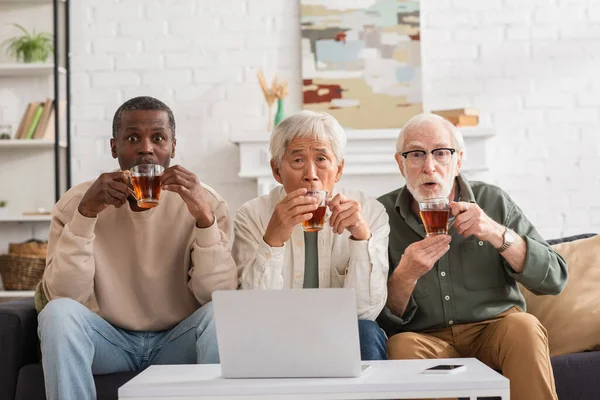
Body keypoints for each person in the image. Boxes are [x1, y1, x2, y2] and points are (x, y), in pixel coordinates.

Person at [37, 96, 238, 400]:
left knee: (219, 315)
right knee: (57, 314)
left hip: (176, 340)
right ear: (113, 147)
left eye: (158, 138)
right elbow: (66, 296)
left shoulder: (205, 202)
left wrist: (204, 219)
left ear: (172, 147)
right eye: (133, 138)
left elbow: (217, 297)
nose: (146, 147)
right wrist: (87, 214)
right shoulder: (77, 203)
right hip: (110, 342)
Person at [377, 113, 568, 400]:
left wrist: (497, 233)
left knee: (524, 327)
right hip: (428, 339)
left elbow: (554, 278)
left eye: (441, 153)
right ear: (400, 162)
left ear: (459, 161)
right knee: (401, 345)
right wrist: (405, 275)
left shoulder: (492, 200)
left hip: (495, 331)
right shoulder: (381, 215)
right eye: (416, 154)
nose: (429, 167)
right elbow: (381, 321)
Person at [233, 110, 390, 360]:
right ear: (276, 171)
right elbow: (253, 314)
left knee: (367, 332)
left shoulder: (370, 212)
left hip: (340, 330)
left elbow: (364, 312)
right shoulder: (252, 215)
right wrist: (272, 240)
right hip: (276, 331)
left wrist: (361, 239)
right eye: (297, 161)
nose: (311, 174)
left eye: (321, 159)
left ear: (338, 170)